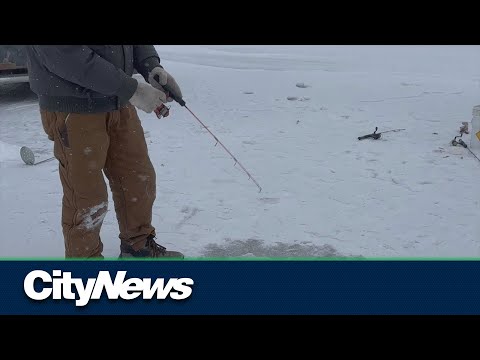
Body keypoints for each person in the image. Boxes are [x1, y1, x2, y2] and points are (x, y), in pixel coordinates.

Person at [25, 45, 184, 259]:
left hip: (119, 101)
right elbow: (65, 54)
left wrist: (151, 66)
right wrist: (130, 88)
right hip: (74, 107)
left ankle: (137, 247)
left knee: (137, 178)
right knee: (86, 195)